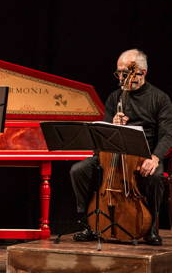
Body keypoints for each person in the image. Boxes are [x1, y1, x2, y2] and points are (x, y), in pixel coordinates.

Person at [69, 49, 172, 245]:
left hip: (145, 155)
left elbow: (168, 134)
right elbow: (102, 132)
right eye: (120, 73)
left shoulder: (160, 98)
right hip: (113, 155)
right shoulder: (115, 97)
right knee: (78, 170)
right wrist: (113, 124)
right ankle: (88, 225)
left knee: (156, 176)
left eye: (127, 73)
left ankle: (151, 229)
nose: (123, 78)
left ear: (142, 72)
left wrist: (155, 157)